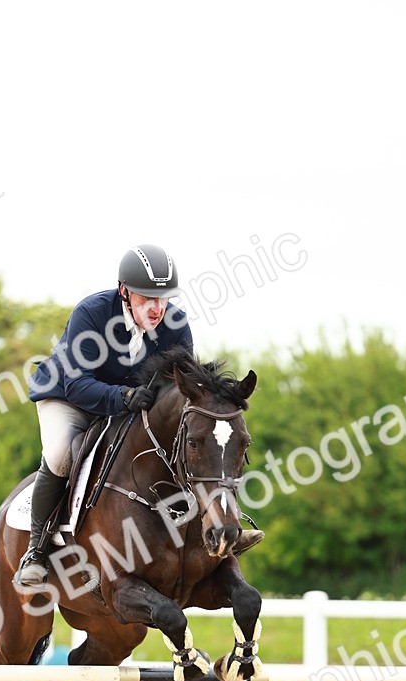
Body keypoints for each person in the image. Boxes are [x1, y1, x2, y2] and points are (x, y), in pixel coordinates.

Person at [14, 243, 263, 588]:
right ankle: (36, 551)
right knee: (59, 455)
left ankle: (219, 530)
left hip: (131, 403)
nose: (157, 307)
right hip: (70, 397)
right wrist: (123, 396)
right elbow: (77, 384)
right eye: (147, 298)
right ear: (124, 292)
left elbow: (182, 385)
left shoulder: (174, 323)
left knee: (185, 447)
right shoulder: (92, 314)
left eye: (162, 298)